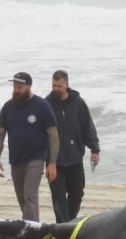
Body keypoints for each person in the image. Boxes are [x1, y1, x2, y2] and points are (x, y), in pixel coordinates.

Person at [0, 72, 59, 222]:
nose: (16, 90)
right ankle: (31, 224)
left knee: (29, 195)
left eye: (20, 87)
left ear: (29, 86)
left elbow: (53, 136)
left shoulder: (42, 106)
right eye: (15, 87)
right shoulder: (8, 107)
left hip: (36, 158)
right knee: (21, 197)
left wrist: (52, 163)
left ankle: (30, 231)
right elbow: (0, 135)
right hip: (16, 159)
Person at [45, 70, 101, 223]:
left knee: (77, 195)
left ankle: (69, 223)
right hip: (54, 162)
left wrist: (94, 149)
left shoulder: (78, 103)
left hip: (75, 159)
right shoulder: (46, 104)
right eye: (53, 85)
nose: (56, 89)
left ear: (67, 85)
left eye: (59, 86)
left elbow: (87, 127)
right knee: (59, 198)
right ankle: (62, 227)